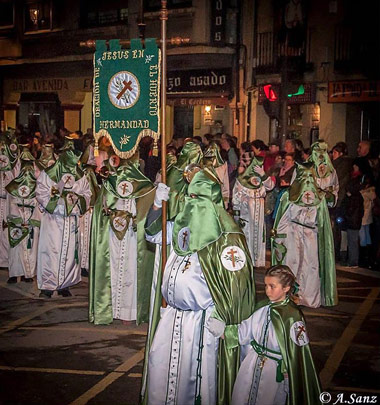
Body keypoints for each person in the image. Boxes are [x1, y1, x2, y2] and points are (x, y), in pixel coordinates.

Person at [141, 168, 255, 405]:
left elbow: (237, 287)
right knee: (160, 369)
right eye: (189, 198)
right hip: (171, 317)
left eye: (196, 199)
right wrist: (156, 205)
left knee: (195, 381)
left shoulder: (227, 238)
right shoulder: (183, 227)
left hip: (201, 321)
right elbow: (153, 234)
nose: (190, 204)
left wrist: (225, 319)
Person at [226, 265, 321, 405]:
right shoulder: (262, 307)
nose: (267, 291)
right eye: (266, 286)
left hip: (274, 370)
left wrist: (288, 369)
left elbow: (298, 352)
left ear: (286, 288)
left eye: (272, 286)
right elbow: (243, 332)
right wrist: (223, 330)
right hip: (252, 365)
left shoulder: (292, 316)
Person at [89, 154, 155, 324]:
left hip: (133, 237)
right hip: (113, 236)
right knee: (113, 269)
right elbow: (102, 208)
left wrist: (134, 218)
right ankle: (110, 310)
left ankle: (129, 312)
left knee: (131, 271)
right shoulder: (110, 185)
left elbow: (146, 212)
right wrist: (111, 213)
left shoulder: (145, 188)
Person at [271, 159, 338, 308]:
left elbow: (322, 222)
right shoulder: (289, 196)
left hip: (310, 234)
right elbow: (283, 219)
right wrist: (280, 238)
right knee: (292, 263)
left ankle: (308, 298)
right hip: (293, 233)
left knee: (311, 266)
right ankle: (289, 296)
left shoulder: (319, 198)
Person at [36, 136, 91, 298]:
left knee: (69, 253)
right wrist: (58, 201)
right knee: (50, 251)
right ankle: (47, 285)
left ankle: (64, 284)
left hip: (71, 220)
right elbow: (41, 192)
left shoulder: (80, 176)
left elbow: (87, 194)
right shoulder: (49, 174)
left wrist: (76, 200)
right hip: (54, 220)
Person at [6, 145, 41, 283]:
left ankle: (28, 274)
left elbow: (38, 205)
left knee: (31, 248)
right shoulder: (13, 186)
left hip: (31, 222)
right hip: (18, 221)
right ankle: (14, 274)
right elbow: (11, 204)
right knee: (16, 249)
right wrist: (19, 219)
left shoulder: (37, 187)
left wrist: (32, 219)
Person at [233, 154, 275, 267]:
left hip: (259, 213)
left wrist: (263, 175)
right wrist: (238, 213)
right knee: (248, 237)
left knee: (259, 237)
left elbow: (270, 186)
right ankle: (247, 261)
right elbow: (235, 198)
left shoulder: (262, 179)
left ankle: (257, 261)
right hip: (247, 214)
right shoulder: (242, 180)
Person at [0, 129, 20, 269]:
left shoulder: (14, 161)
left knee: (7, 227)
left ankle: (6, 259)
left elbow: (17, 179)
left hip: (8, 199)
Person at [204, 141, 230, 208]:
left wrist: (225, 202)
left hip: (218, 199)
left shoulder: (222, 167)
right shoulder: (203, 166)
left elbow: (225, 185)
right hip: (206, 199)